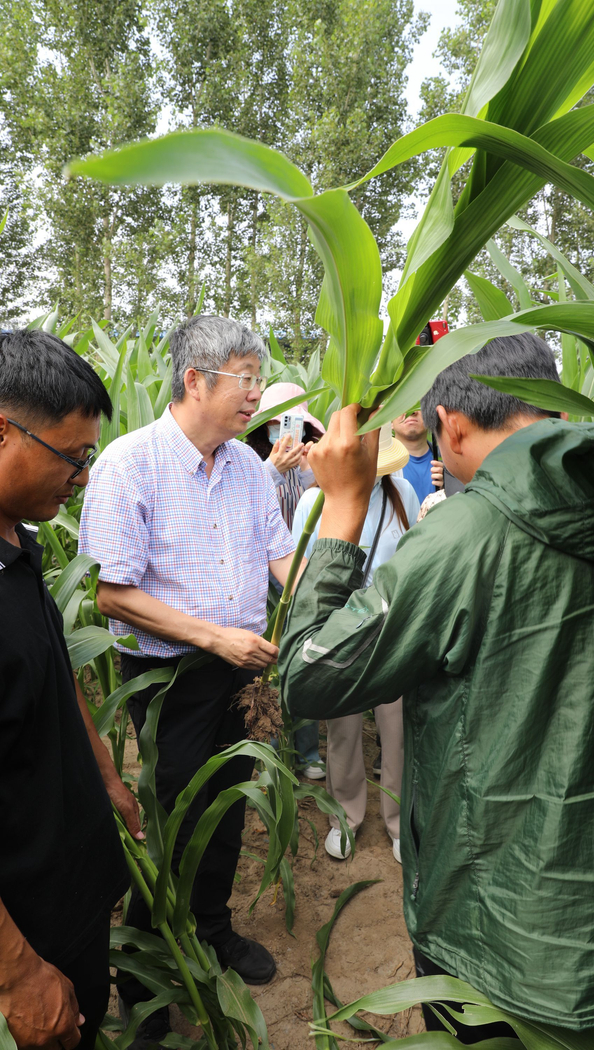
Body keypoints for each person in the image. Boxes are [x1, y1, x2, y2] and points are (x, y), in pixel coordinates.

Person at [279, 332, 594, 1041]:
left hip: (486, 922)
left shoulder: (466, 535)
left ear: (450, 426)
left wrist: (341, 513)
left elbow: (310, 678)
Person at [79, 316, 299, 1049]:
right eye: (246, 379)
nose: (256, 395)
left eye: (259, 380)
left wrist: (321, 601)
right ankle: (144, 980)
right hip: (169, 677)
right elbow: (113, 593)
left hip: (240, 672)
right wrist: (214, 637)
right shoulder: (128, 464)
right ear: (195, 379)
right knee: (169, 822)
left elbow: (281, 561)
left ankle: (211, 933)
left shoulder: (245, 468)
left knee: (229, 810)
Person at [0, 329, 139, 1050]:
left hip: (70, 900)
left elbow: (55, 667)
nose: (83, 478)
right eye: (72, 457)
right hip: (25, 936)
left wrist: (104, 773)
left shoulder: (18, 539)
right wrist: (17, 975)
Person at [292, 424, 419, 863]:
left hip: (390, 630)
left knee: (397, 732)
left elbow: (409, 565)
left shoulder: (403, 493)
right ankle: (345, 817)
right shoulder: (313, 501)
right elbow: (305, 574)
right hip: (338, 631)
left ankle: (400, 823)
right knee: (342, 730)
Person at [248, 382, 325, 777]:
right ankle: (271, 753)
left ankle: (308, 752)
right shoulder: (248, 463)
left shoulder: (310, 464)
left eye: (291, 423)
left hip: (301, 574)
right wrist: (272, 472)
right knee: (268, 667)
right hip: (263, 582)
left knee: (304, 657)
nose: (283, 432)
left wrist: (316, 470)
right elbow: (239, 510)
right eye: (276, 423)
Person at [247, 381, 325, 529]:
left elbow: (324, 509)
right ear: (264, 425)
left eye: (289, 421)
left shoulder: (313, 459)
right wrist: (272, 469)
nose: (284, 428)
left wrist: (309, 472)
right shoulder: (248, 460)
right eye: (277, 421)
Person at [392, 409, 443, 503]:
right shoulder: (379, 465)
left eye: (418, 405)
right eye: (403, 405)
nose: (411, 412)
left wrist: (449, 487)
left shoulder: (449, 460)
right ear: (390, 422)